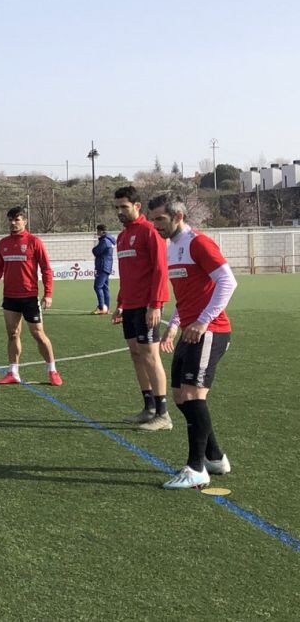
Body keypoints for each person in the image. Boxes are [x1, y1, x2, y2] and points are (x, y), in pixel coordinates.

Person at [149, 195, 237, 489]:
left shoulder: (198, 242)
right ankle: (214, 456)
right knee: (179, 395)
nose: (155, 224)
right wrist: (173, 326)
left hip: (209, 331)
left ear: (178, 217)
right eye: (153, 219)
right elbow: (185, 297)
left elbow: (228, 281)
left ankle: (196, 468)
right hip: (189, 330)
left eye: (160, 219)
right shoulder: (172, 247)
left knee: (193, 395)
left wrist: (203, 321)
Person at [112, 186, 172, 431]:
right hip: (130, 306)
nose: (119, 212)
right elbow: (127, 275)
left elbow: (160, 270)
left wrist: (155, 305)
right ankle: (148, 408)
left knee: (150, 356)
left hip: (147, 306)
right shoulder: (122, 236)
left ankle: (163, 414)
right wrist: (120, 304)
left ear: (137, 206)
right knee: (136, 355)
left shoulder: (150, 232)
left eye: (124, 207)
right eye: (116, 207)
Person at [0, 207, 62, 386]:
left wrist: (48, 294)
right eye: (11, 220)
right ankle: (13, 372)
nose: (13, 223)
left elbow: (46, 269)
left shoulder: (34, 241)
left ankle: (52, 370)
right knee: (12, 334)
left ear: (24, 221)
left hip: (29, 297)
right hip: (10, 297)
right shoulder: (3, 243)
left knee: (38, 334)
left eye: (17, 219)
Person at [91, 223, 115, 314]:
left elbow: (96, 251)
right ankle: (106, 308)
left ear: (101, 231)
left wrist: (94, 249)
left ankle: (101, 307)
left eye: (97, 231)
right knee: (105, 287)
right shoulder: (109, 240)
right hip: (106, 266)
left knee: (97, 286)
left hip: (102, 266)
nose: (97, 232)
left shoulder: (105, 241)